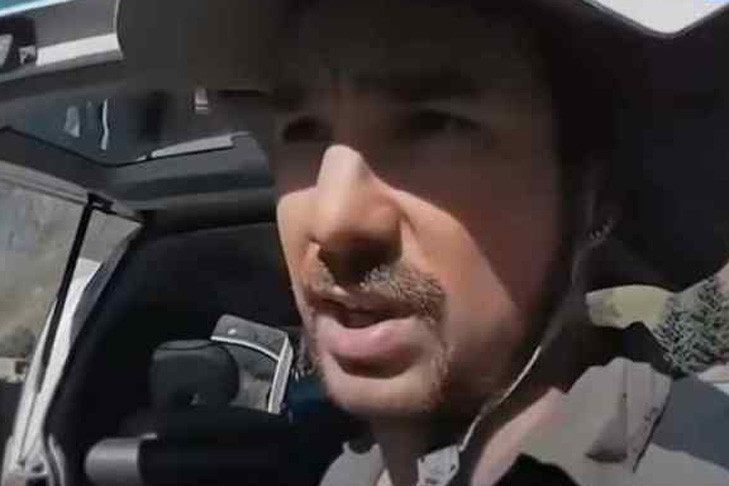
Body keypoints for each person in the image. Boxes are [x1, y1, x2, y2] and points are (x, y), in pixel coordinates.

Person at [264, 1, 729, 484]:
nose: (333, 221)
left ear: (594, 196)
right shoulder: (336, 469)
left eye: (434, 123)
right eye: (303, 129)